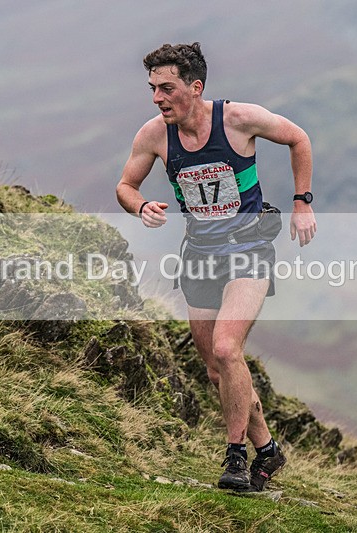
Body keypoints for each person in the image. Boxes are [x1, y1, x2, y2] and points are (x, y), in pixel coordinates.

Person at [116, 42, 316, 491]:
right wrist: (140, 205)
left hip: (248, 249)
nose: (157, 98)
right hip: (200, 257)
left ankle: (236, 458)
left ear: (195, 86)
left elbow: (298, 138)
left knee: (227, 349)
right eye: (152, 89)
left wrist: (302, 203)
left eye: (166, 88)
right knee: (214, 368)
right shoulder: (153, 135)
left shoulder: (238, 119)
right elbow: (125, 185)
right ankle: (269, 450)